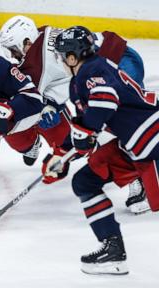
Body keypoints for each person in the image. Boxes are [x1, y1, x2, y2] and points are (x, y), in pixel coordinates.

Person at [0, 15, 150, 214]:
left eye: (14, 49)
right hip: (121, 56)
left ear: (26, 42)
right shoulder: (42, 34)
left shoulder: (36, 62)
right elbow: (60, 79)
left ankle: (141, 181)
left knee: (119, 124)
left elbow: (34, 98)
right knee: (105, 122)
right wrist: (51, 106)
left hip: (119, 63)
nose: (13, 56)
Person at [52, 26, 158, 275]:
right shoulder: (78, 82)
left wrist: (87, 132)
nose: (59, 61)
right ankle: (113, 251)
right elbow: (83, 126)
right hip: (135, 145)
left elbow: (105, 101)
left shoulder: (93, 69)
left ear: (71, 57)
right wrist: (60, 155)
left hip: (152, 140)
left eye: (60, 56)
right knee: (85, 182)